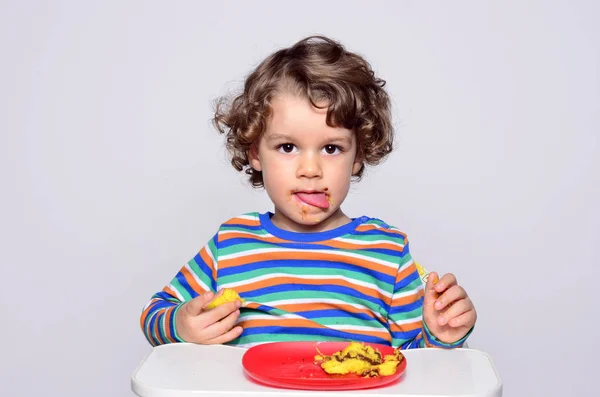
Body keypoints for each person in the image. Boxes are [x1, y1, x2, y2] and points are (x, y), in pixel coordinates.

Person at [140, 35, 477, 349]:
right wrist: (181, 326)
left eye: (331, 149)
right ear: (256, 153)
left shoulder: (387, 252)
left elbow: (413, 363)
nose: (310, 169)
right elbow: (154, 314)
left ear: (358, 157)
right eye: (287, 147)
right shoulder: (231, 244)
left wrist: (440, 335)